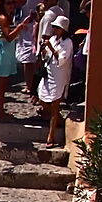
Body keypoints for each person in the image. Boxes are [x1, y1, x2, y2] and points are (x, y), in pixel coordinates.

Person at [36, 8, 73, 147]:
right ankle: (61, 121)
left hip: (59, 77)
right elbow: (47, 57)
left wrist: (51, 48)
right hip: (49, 74)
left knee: (54, 105)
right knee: (43, 99)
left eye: (57, 28)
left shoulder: (67, 43)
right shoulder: (53, 39)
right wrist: (44, 50)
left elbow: (62, 59)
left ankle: (50, 137)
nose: (55, 30)